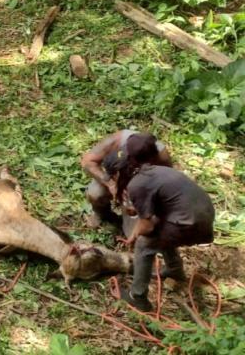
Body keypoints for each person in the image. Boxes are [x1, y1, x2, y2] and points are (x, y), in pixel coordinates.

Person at [103, 154, 215, 312]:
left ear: (118, 173)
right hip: (204, 214)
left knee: (144, 244)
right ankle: (174, 269)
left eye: (113, 177)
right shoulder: (152, 170)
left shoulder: (136, 185)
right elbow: (154, 213)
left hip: (190, 223)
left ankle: (138, 297)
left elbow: (147, 227)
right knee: (160, 232)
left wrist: (134, 235)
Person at [80, 131, 171, 228]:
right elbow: (87, 162)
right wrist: (111, 184)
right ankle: (104, 215)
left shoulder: (161, 155)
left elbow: (165, 182)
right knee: (96, 193)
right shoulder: (115, 142)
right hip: (115, 175)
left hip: (142, 181)